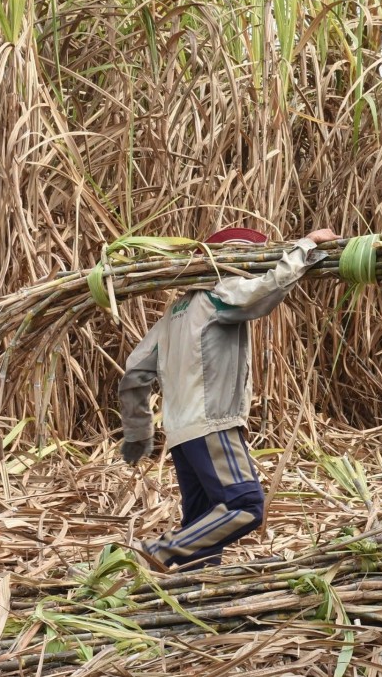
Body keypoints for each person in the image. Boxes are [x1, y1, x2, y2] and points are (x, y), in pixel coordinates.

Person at [117, 225, 339, 571]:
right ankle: (159, 550)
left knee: (205, 530)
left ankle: (192, 603)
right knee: (244, 505)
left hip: (181, 436)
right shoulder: (217, 295)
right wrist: (305, 247)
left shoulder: (174, 314)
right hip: (212, 425)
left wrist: (138, 433)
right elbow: (266, 289)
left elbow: (134, 372)